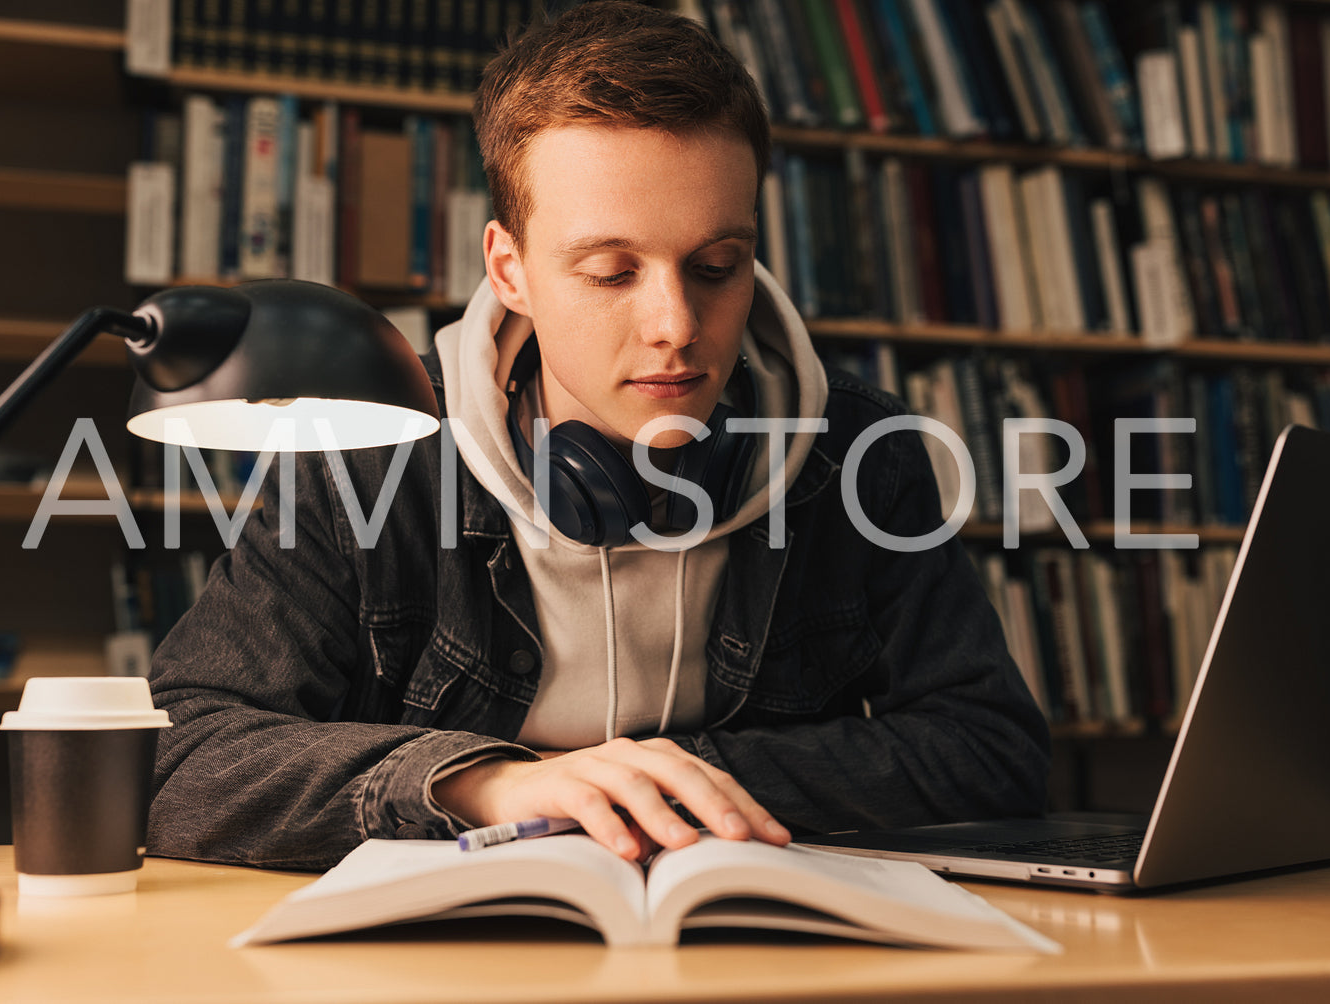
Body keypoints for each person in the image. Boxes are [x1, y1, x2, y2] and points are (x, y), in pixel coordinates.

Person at [146, 0, 1050, 872]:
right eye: (611, 272)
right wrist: (486, 785)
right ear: (510, 270)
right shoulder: (371, 448)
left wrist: (658, 785)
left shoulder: (863, 449)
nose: (675, 326)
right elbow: (179, 756)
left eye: (715, 267)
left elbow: (988, 750)